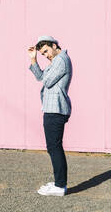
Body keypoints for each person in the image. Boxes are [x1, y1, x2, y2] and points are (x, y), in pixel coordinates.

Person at [27, 35, 72, 196]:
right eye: (43, 54)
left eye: (46, 51)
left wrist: (47, 68)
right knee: (53, 147)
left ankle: (60, 186)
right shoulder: (56, 61)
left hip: (56, 109)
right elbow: (41, 77)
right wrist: (33, 60)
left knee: (54, 147)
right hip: (52, 108)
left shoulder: (61, 60)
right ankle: (59, 183)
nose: (46, 55)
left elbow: (46, 81)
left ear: (54, 45)